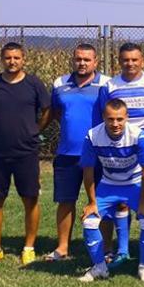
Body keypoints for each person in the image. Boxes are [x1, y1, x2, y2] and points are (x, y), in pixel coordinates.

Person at [93, 42, 144, 269]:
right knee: (121, 200)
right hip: (119, 149)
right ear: (119, 61)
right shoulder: (110, 86)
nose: (130, 64)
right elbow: (104, 116)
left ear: (142, 61)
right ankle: (123, 250)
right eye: (125, 60)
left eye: (134, 59)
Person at [0, 42, 51, 267]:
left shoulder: (33, 83)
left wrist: (35, 130)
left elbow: (47, 110)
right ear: (2, 59)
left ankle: (29, 248)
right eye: (8, 58)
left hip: (26, 153)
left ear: (23, 59)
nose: (12, 62)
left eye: (16, 57)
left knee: (30, 200)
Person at [76, 99, 144, 282]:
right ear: (103, 117)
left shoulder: (137, 135)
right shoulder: (92, 136)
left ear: (127, 117)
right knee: (89, 221)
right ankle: (99, 267)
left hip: (135, 183)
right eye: (110, 119)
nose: (115, 124)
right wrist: (92, 202)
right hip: (109, 183)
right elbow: (88, 170)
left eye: (119, 119)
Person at [45, 43, 109, 262]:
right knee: (65, 201)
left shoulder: (106, 84)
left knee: (102, 201)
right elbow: (56, 112)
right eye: (78, 59)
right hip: (67, 153)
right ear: (73, 60)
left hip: (99, 154)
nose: (82, 63)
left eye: (87, 59)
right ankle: (63, 247)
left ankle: (107, 248)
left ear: (95, 62)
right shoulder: (60, 83)